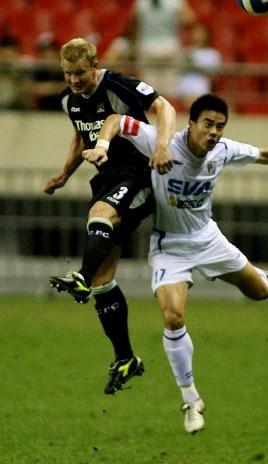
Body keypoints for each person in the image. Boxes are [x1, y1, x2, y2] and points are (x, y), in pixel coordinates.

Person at [82, 94, 268, 434]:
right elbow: (117, 120)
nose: (214, 132)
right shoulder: (162, 143)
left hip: (208, 240)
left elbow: (263, 154)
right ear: (191, 124)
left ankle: (261, 275)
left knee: (261, 293)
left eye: (220, 126)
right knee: (173, 316)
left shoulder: (223, 151)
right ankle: (191, 400)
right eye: (208, 124)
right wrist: (102, 143)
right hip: (170, 246)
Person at [43, 37, 176, 395]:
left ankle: (80, 276)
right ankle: (126, 358)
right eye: (68, 74)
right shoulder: (69, 100)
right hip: (106, 179)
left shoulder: (119, 84)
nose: (74, 80)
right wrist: (63, 175)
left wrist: (162, 145)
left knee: (100, 215)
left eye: (80, 73)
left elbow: (164, 107)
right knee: (105, 280)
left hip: (138, 174)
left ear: (95, 64)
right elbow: (79, 137)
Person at [128, 0, 198, 96]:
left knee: (148, 90)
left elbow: (133, 25)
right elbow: (191, 20)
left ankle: (152, 114)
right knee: (169, 88)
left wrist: (133, 46)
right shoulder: (176, 0)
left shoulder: (141, 1)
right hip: (169, 47)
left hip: (147, 47)